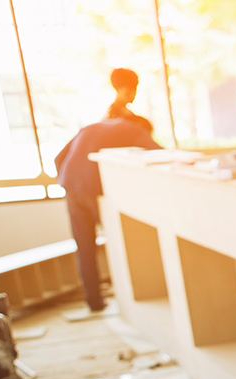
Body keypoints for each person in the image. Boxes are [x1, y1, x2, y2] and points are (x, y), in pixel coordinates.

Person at [55, 74, 160, 313]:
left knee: (85, 247)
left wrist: (72, 184)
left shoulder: (93, 127)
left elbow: (58, 158)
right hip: (95, 191)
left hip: (71, 187)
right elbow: (159, 154)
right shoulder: (135, 128)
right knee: (122, 241)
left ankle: (94, 302)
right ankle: (131, 299)